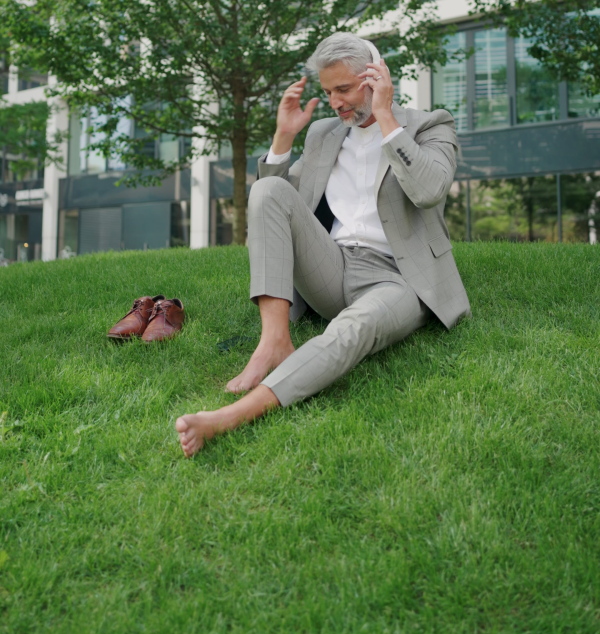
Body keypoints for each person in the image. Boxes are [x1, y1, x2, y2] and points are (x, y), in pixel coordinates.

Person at [176, 32, 470, 456]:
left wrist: (386, 119)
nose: (335, 102)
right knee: (266, 192)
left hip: (397, 279)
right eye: (329, 91)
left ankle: (233, 416)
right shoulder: (324, 133)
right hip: (332, 266)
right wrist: (283, 138)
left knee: (356, 328)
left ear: (377, 77)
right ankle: (274, 340)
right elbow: (272, 209)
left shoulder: (430, 125)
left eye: (344, 89)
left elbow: (429, 189)